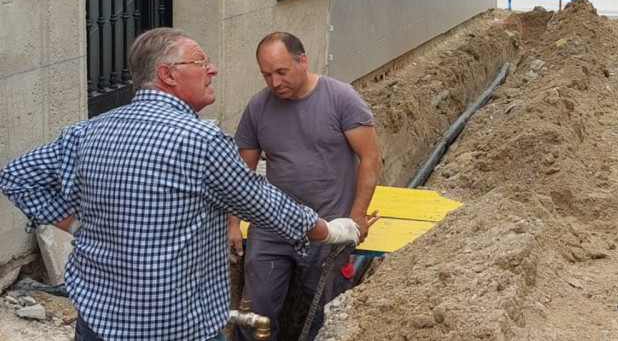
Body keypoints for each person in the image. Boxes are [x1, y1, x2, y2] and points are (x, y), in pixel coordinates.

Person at [0, 28, 363, 341]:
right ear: (167, 74)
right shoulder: (200, 141)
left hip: (98, 323)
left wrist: (74, 224)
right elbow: (264, 203)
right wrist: (329, 230)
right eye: (200, 61)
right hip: (176, 327)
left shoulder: (86, 131)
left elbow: (15, 176)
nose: (212, 69)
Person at [230, 32, 382, 341]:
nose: (274, 82)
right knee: (254, 314)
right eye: (266, 75)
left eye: (281, 72)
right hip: (272, 229)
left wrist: (356, 217)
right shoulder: (258, 108)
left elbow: (370, 158)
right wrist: (233, 223)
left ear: (302, 61)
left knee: (327, 314)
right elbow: (238, 174)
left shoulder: (342, 99)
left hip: (329, 228)